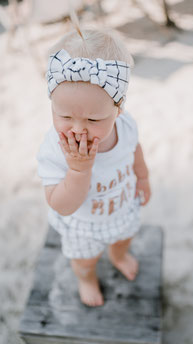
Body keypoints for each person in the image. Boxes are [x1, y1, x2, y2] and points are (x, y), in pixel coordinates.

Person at [37, 22, 151, 307]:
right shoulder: (55, 148)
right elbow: (61, 205)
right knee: (84, 261)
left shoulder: (125, 125)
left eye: (93, 120)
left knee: (124, 239)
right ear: (52, 104)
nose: (78, 129)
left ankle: (118, 255)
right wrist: (79, 170)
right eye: (65, 116)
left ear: (118, 108)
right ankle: (86, 278)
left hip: (122, 208)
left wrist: (143, 177)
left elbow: (134, 148)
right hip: (84, 226)